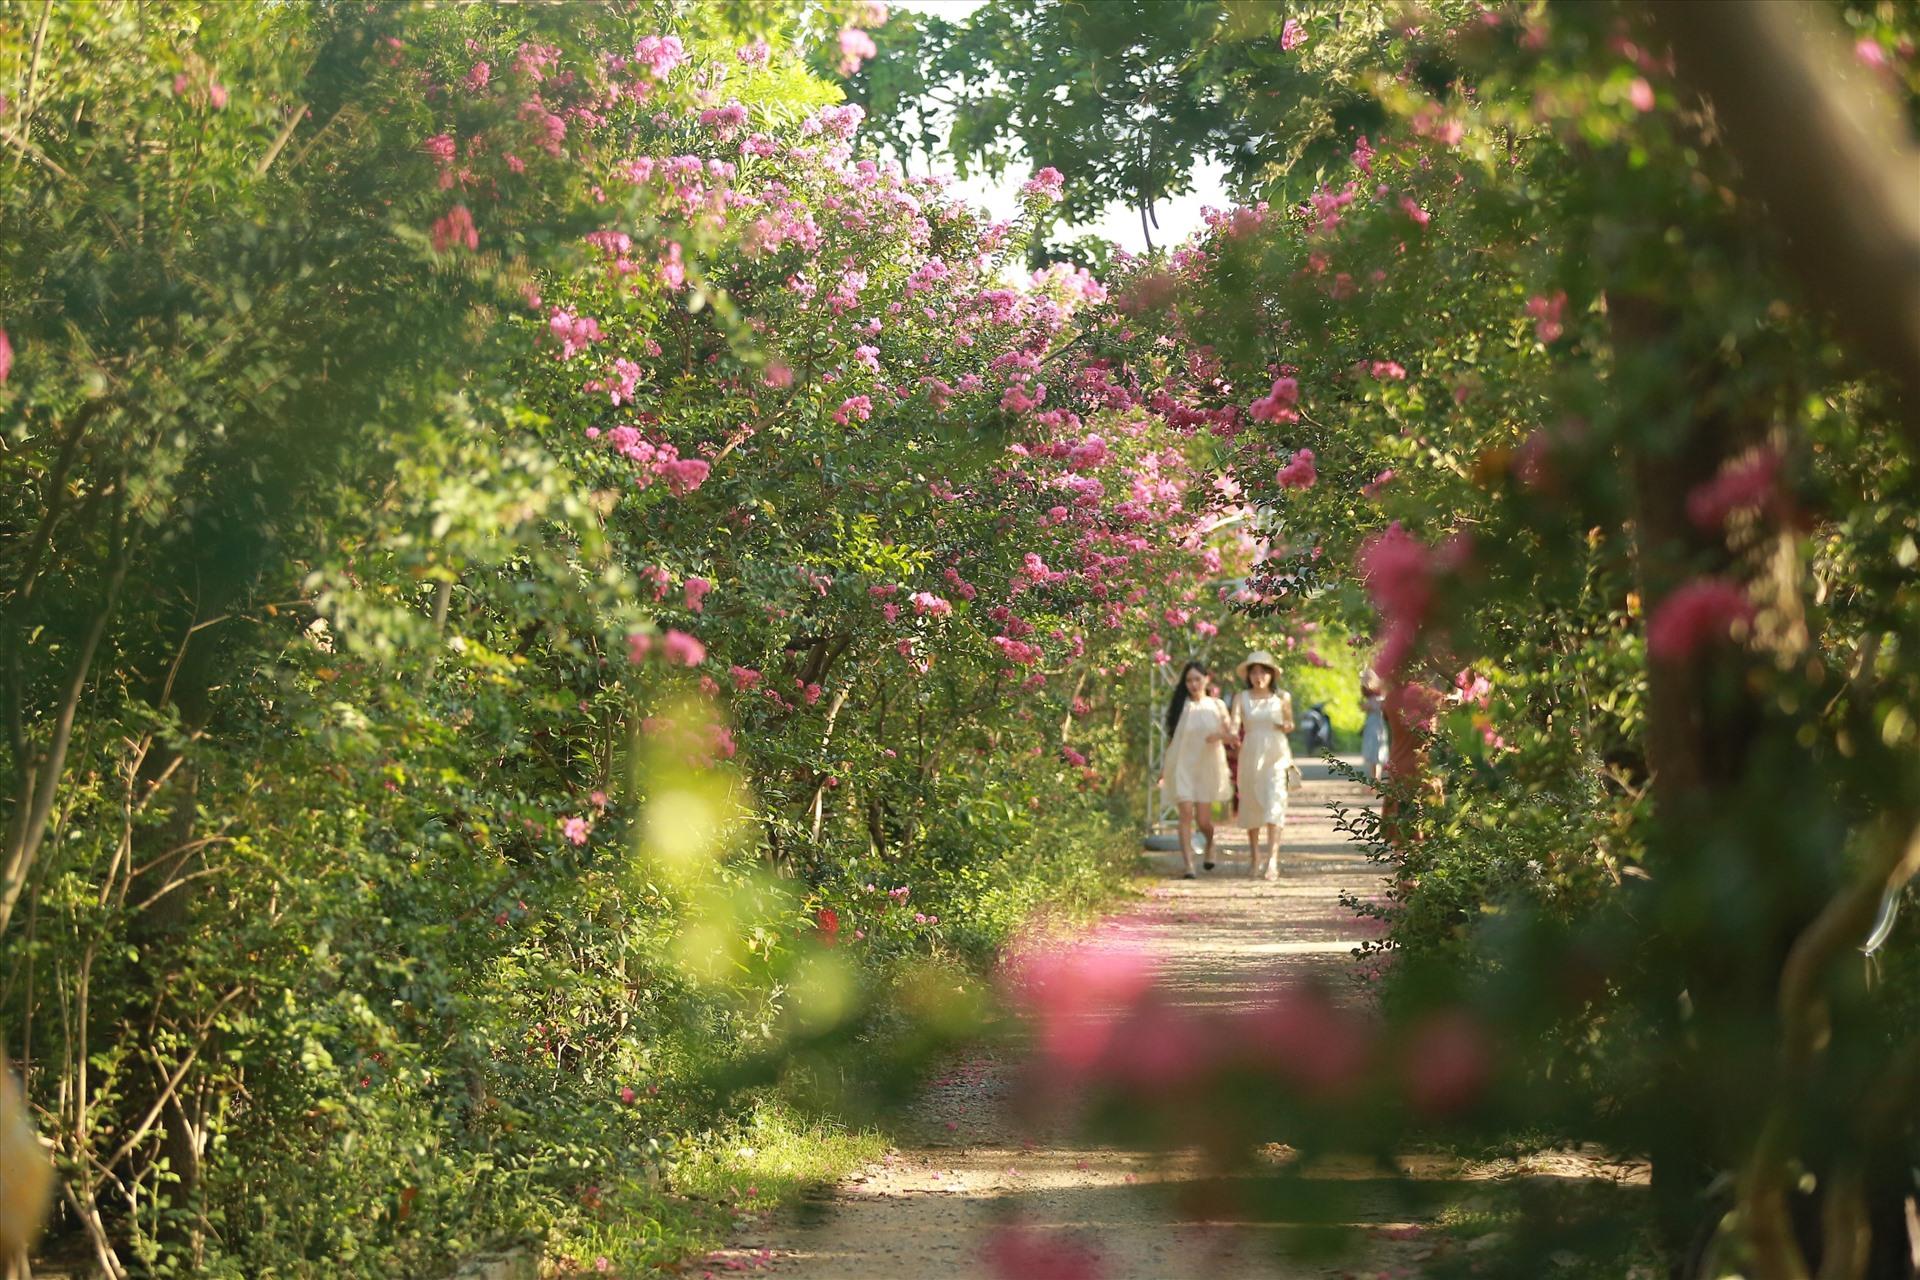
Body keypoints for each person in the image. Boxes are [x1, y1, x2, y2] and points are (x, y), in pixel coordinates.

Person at [1158, 661, 1233, 878]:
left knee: (1203, 821)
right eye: (1189, 680)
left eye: (1197, 679)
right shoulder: (1181, 707)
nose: (1193, 684)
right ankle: (1188, 865)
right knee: (1185, 814)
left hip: (1206, 768)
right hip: (1182, 766)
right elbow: (1173, 741)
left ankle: (1210, 842)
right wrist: (1164, 769)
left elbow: (1231, 736)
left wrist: (1218, 736)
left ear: (1206, 679)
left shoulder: (1216, 706)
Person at [1231, 650, 1294, 881]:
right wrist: (1229, 734)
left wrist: (1283, 724)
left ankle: (1273, 860)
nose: (1258, 677)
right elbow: (1234, 724)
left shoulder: (1282, 698)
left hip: (1277, 754)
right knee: (1251, 803)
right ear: (1248, 675)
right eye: (1254, 672)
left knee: (1275, 800)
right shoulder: (1241, 698)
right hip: (1250, 753)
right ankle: (1255, 856)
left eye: (1263, 672)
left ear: (1271, 675)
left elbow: (1289, 724)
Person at [1360, 668, 1388, 784]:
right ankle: (1374, 780)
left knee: (1376, 754)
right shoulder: (1374, 696)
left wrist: (1366, 706)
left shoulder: (1379, 696)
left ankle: (1375, 781)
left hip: (1376, 726)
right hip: (1372, 725)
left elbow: (1375, 708)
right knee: (1373, 755)